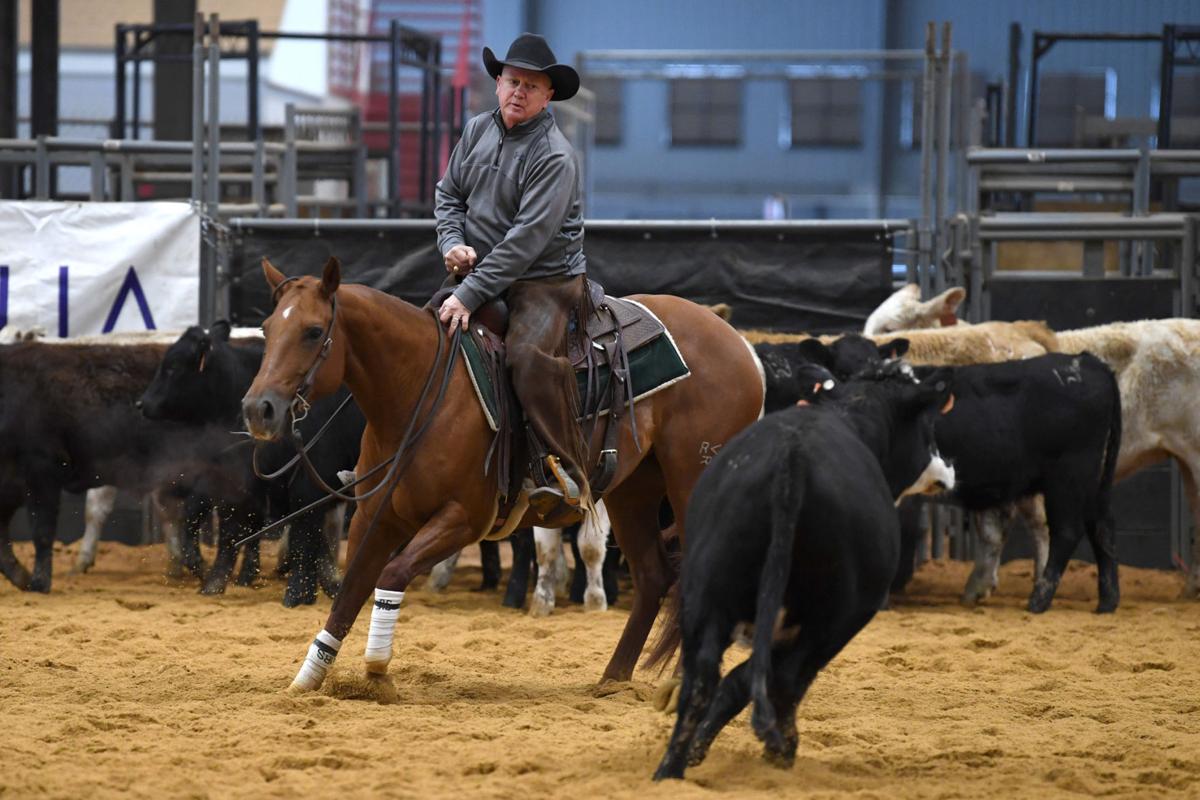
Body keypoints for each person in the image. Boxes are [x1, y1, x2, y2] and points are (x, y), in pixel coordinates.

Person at [434, 33, 590, 522]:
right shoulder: (478, 129)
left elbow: (526, 241)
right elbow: (448, 197)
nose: (518, 91)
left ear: (548, 97)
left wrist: (468, 291)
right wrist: (451, 243)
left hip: (546, 283)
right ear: (497, 83)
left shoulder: (555, 156)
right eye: (511, 80)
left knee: (526, 357)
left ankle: (558, 473)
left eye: (530, 85)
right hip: (483, 271)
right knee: (420, 337)